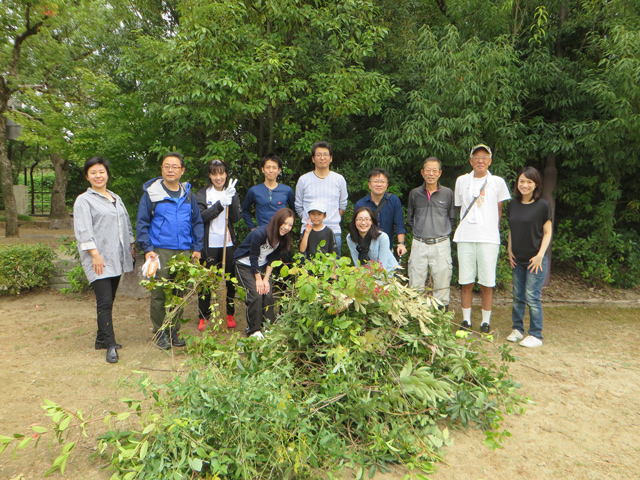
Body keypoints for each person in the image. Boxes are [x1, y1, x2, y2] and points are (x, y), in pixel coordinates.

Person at [137, 152, 204, 349]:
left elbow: (197, 222)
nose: (170, 170)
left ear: (182, 171)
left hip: (183, 251)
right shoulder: (152, 194)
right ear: (161, 170)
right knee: (159, 292)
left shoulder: (188, 194)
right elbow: (142, 223)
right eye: (167, 166)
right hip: (160, 251)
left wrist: (197, 248)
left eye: (175, 167)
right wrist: (147, 249)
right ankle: (159, 332)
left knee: (178, 292)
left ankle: (173, 330)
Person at [73, 157, 135, 364]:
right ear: (87, 177)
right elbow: (83, 230)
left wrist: (131, 246)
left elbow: (125, 225)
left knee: (109, 300)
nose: (98, 176)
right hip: (98, 258)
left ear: (107, 174)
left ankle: (101, 338)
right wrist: (95, 255)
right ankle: (110, 344)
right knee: (105, 302)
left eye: (101, 171)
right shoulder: (84, 200)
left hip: (116, 257)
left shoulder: (115, 197)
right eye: (93, 172)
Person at [453, 144, 510, 333]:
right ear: (470, 161)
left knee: (487, 282)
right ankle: (466, 321)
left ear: (490, 161)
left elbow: (498, 210)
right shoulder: (461, 181)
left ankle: (486, 322)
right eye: (476, 157)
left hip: (488, 238)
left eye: (484, 157)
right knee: (466, 281)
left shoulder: (498, 182)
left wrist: (491, 228)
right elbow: (459, 206)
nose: (480, 160)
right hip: (466, 236)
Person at [507, 167, 552, 348]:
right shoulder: (513, 204)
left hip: (535, 260)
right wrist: (509, 249)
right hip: (517, 259)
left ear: (536, 185)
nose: (525, 185)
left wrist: (540, 255)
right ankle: (517, 329)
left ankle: (536, 335)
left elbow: (547, 232)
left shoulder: (542, 205)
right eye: (522, 181)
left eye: (529, 182)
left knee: (532, 297)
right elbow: (512, 228)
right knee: (518, 296)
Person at [234, 208, 295, 338]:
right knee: (255, 295)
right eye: (284, 223)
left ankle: (268, 325)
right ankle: (253, 329)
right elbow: (253, 257)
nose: (286, 227)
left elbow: (272, 258)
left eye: (290, 225)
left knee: (267, 292)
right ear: (277, 221)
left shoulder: (283, 238)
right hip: (244, 264)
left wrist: (266, 278)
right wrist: (258, 279)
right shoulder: (260, 233)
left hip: (262, 265)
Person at [195, 159, 241, 331]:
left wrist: (233, 198)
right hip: (209, 244)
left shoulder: (231, 192)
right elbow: (202, 217)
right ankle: (203, 316)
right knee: (206, 280)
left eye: (221, 173)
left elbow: (236, 218)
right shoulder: (202, 194)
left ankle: (229, 313)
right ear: (210, 175)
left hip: (227, 243)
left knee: (229, 280)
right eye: (214, 173)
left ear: (226, 174)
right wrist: (221, 203)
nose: (218, 177)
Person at [406, 157, 456, 309]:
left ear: (440, 173)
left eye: (434, 170)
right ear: (422, 172)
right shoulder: (415, 194)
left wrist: (440, 231)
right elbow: (410, 218)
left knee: (442, 284)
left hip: (441, 244)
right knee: (415, 284)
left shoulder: (448, 193)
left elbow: (452, 217)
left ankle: (440, 320)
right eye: (428, 170)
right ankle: (417, 320)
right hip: (419, 243)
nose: (431, 174)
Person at [295, 141, 348, 255]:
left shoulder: (339, 179)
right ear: (313, 159)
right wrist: (310, 220)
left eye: (325, 154)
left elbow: (343, 204)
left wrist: (330, 219)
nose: (322, 158)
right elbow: (299, 206)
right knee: (307, 269)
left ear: (331, 158)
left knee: (333, 269)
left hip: (333, 231)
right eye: (318, 155)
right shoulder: (303, 180)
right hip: (308, 232)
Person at [354, 168, 407, 257]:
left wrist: (401, 244)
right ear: (369, 185)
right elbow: (355, 228)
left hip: (387, 250)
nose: (379, 184)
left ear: (387, 185)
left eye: (382, 182)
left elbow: (399, 225)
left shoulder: (394, 201)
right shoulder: (360, 204)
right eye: (375, 181)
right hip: (366, 251)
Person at [242, 154, 295, 231]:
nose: (271, 170)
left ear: (279, 170)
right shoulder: (254, 190)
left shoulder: (287, 190)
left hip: (281, 233)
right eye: (268, 167)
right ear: (263, 169)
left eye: (274, 168)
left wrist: (288, 226)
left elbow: (293, 211)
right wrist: (252, 228)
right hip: (262, 233)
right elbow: (244, 210)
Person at [346, 206, 399, 272]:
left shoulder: (382, 237)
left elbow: (383, 266)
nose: (363, 223)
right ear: (354, 222)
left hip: (388, 273)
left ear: (372, 221)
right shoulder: (350, 238)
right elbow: (358, 264)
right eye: (359, 219)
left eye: (367, 219)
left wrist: (375, 281)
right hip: (369, 276)